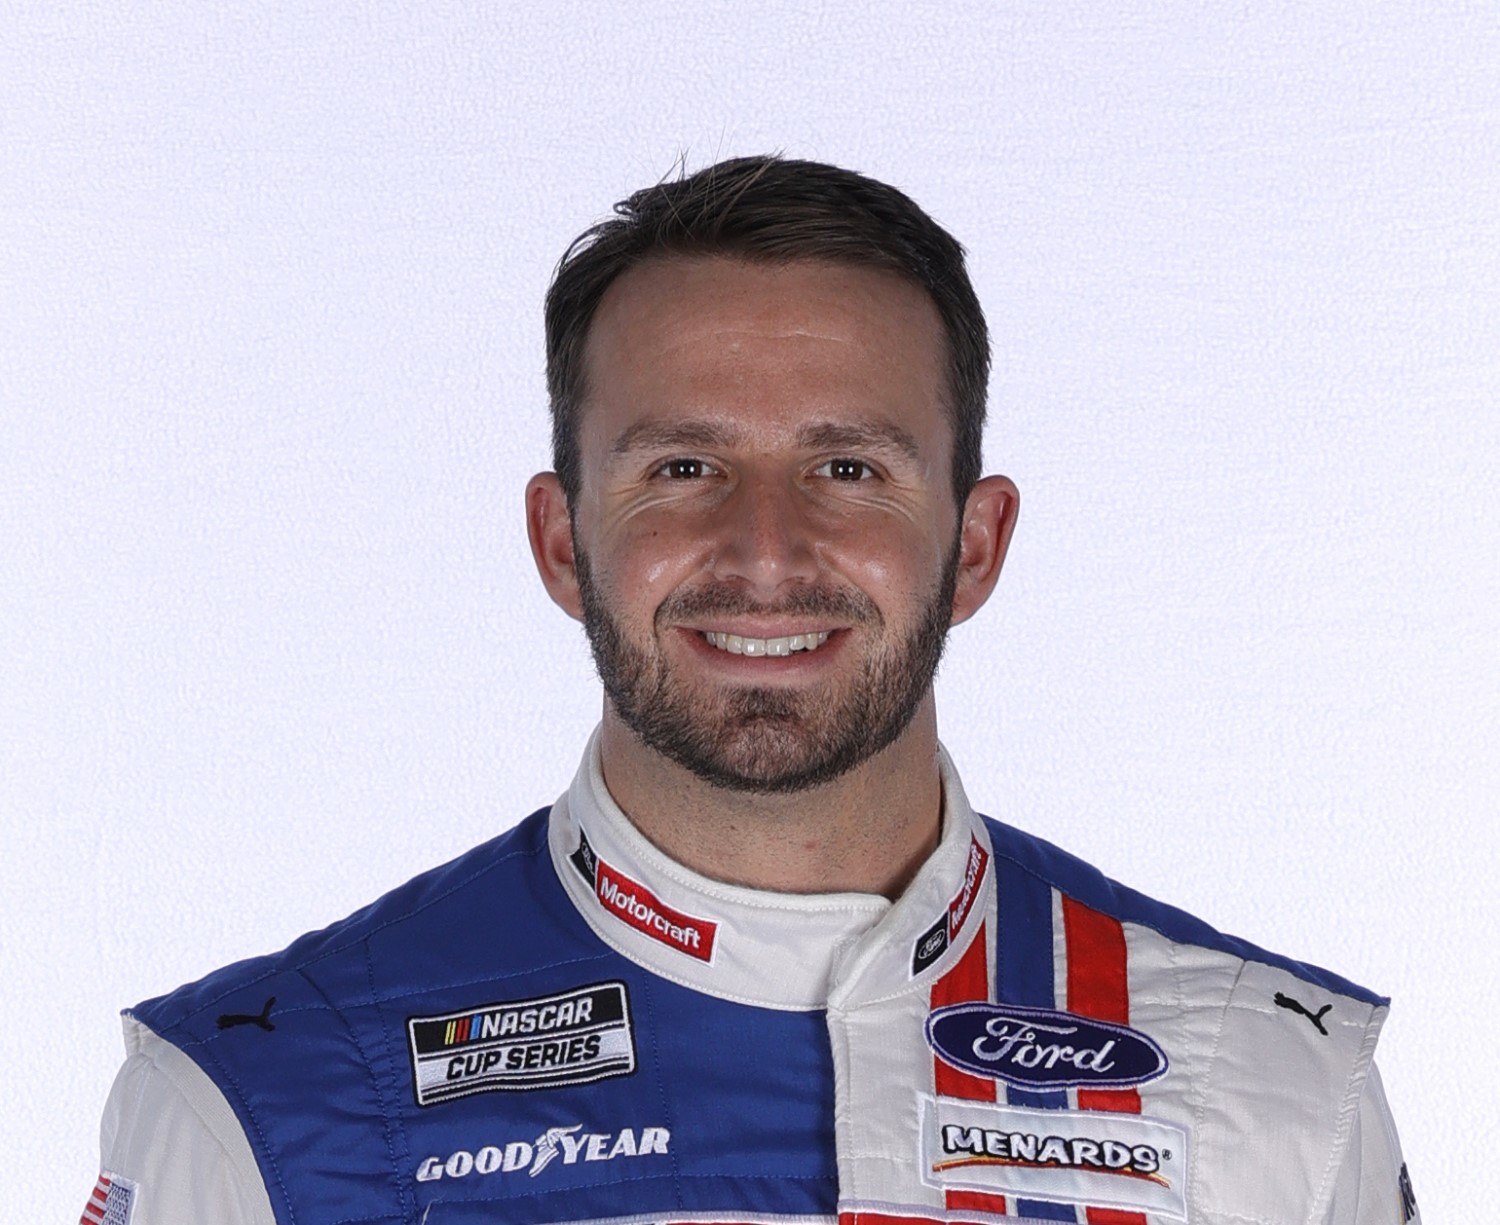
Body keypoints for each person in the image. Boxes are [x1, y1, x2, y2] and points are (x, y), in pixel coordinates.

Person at [86, 156, 1418, 1225]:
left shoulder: (1272, 1084)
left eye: (849, 471)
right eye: (681, 468)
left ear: (974, 544)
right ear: (563, 541)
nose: (765, 552)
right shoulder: (263, 1093)